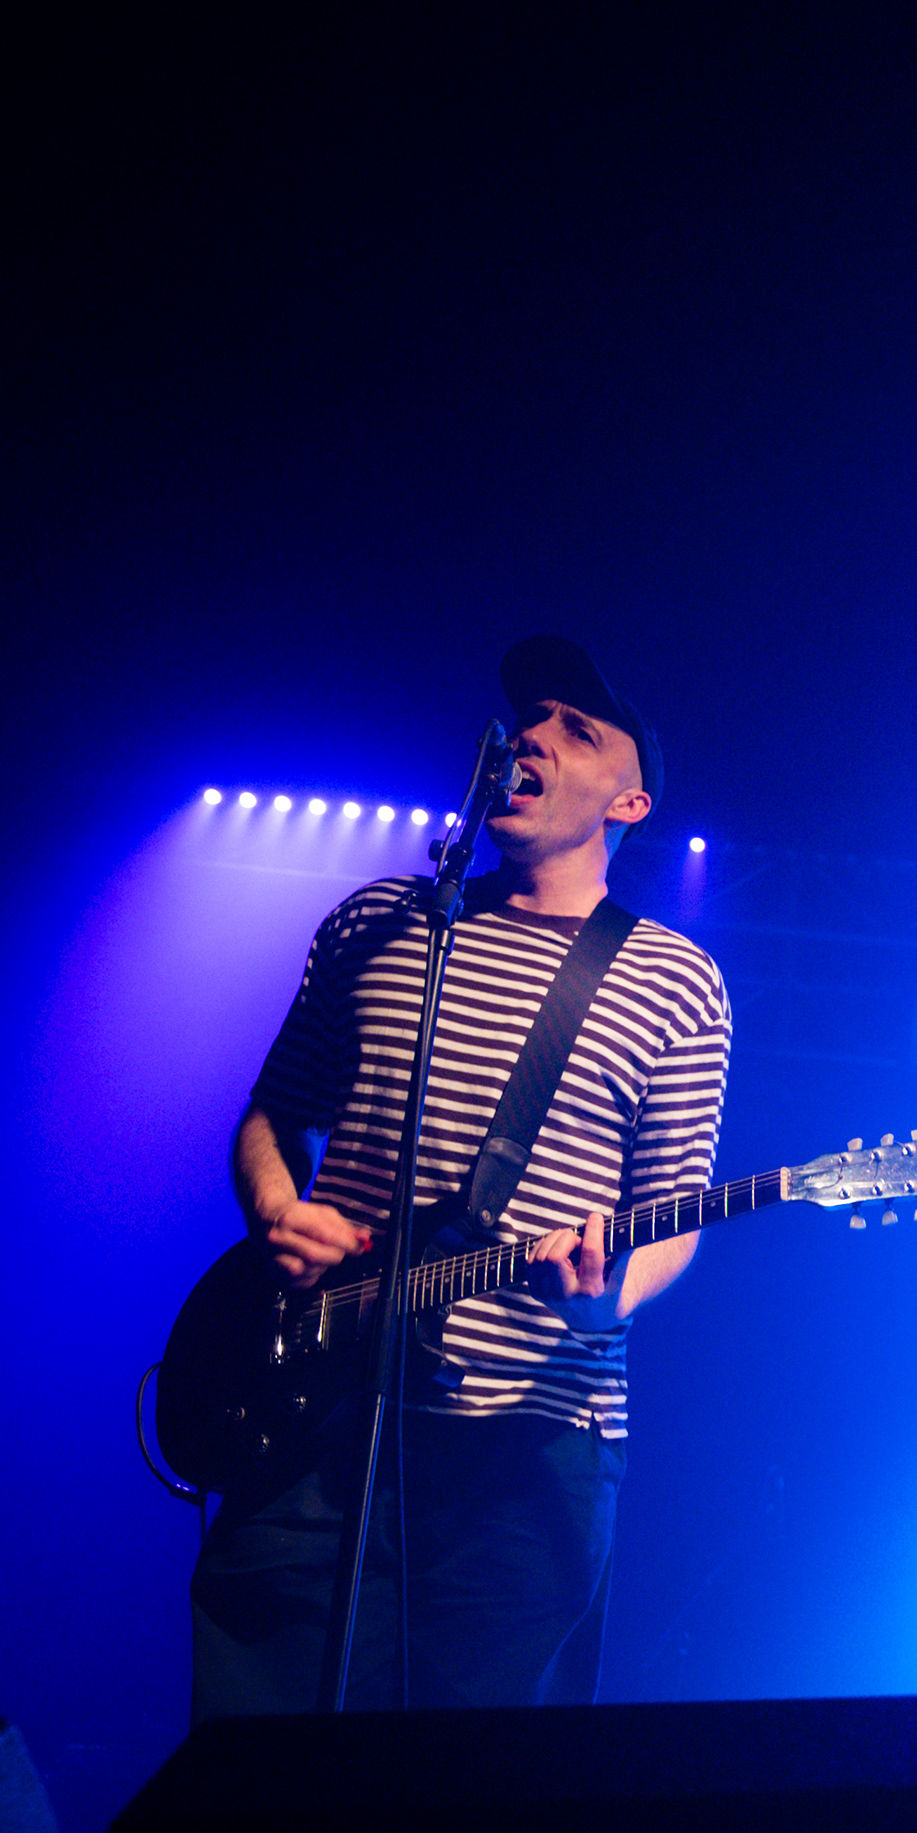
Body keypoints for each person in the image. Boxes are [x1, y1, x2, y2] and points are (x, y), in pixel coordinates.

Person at [191, 636, 732, 1716]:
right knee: (253, 1769)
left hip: (529, 1443)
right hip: (312, 1408)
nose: (534, 735)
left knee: (466, 1796)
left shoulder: (673, 976)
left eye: (578, 729)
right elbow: (274, 1112)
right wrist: (278, 1211)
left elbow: (674, 1209)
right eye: (529, 718)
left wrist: (603, 1297)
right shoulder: (377, 921)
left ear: (629, 802)